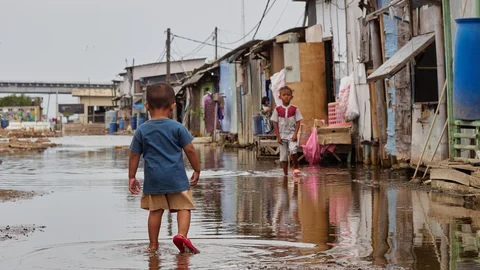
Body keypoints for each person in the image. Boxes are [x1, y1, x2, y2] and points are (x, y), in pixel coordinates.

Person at [128, 83, 201, 254]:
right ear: (173, 106)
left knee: (155, 212)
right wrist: (197, 169)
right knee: (184, 207)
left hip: (154, 180)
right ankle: (181, 235)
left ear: (146, 106)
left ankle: (153, 245)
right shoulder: (177, 127)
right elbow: (190, 149)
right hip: (177, 179)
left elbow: (134, 155)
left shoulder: (142, 130)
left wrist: (131, 176)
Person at [271, 86, 303, 176]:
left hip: (291, 134)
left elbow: (298, 122)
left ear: (291, 97)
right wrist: (278, 136)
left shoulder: (294, 109)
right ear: (280, 97)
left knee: (293, 149)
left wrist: (295, 134)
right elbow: (275, 123)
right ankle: (285, 174)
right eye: (284, 95)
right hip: (282, 134)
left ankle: (296, 166)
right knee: (283, 156)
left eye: (288, 95)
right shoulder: (277, 109)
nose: (286, 97)